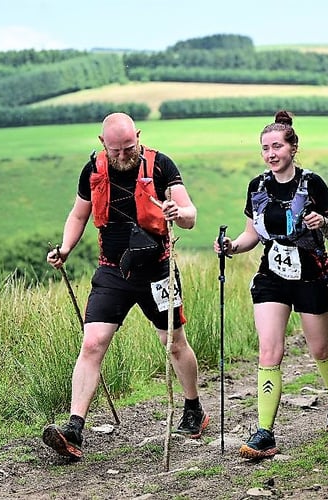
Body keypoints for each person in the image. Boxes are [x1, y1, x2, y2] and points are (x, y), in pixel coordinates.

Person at [43, 112, 208, 459]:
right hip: (112, 272)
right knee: (92, 343)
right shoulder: (93, 170)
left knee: (174, 343)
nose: (123, 155)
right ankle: (74, 429)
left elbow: (190, 212)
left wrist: (178, 213)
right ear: (103, 143)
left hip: (159, 269)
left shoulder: (160, 165)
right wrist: (66, 248)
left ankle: (193, 408)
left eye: (129, 147)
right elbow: (79, 214)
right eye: (116, 150)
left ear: (139, 137)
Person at [214, 110, 328, 460]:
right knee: (269, 351)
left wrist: (322, 224)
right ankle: (265, 432)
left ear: (292, 148)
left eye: (277, 146)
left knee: (319, 349)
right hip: (271, 276)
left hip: (311, 274)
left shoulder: (312, 183)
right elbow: (251, 235)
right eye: (265, 148)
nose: (271, 153)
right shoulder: (257, 186)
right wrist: (230, 248)